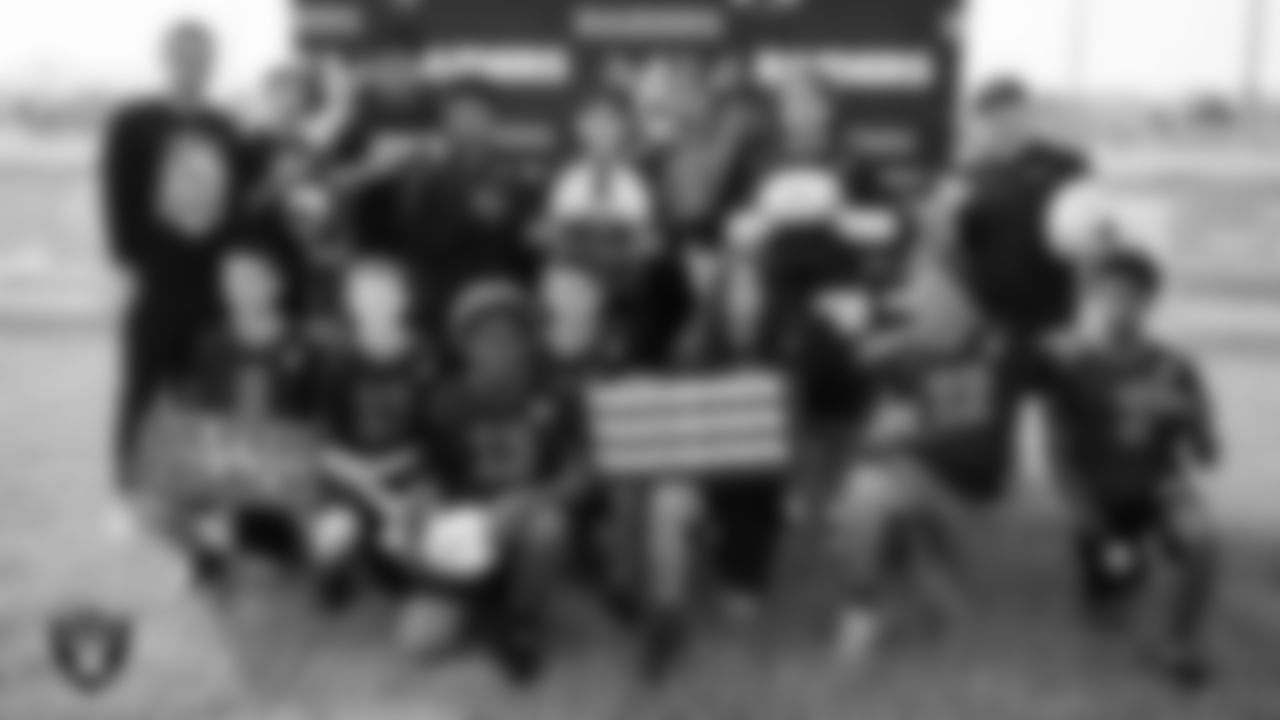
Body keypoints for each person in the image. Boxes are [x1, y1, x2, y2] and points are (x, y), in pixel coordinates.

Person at [828, 258, 1037, 665]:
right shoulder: (917, 351)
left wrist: (905, 440)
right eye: (914, 297)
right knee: (863, 496)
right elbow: (859, 373)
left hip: (968, 492)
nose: (914, 306)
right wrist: (866, 342)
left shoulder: (996, 356)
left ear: (964, 303)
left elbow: (975, 450)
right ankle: (887, 607)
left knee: (868, 493)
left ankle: (865, 611)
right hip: (924, 481)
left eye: (929, 296)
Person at [1039, 246, 1220, 689]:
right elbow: (1059, 458)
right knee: (1107, 616)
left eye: (1131, 296)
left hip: (1160, 490)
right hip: (1102, 504)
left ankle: (1180, 646)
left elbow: (1208, 455)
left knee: (1205, 543)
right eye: (1109, 294)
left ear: (1149, 302)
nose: (1119, 305)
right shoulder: (1074, 364)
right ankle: (1120, 575)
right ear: (1095, 298)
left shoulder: (1175, 366)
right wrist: (1092, 524)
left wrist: (1186, 414)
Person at [102, 19, 249, 481]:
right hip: (157, 274)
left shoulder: (224, 124)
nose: (194, 63)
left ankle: (201, 483)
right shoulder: (133, 120)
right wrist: (131, 261)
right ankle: (129, 481)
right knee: (143, 380)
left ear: (214, 62)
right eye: (184, 54)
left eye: (203, 55)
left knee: (209, 382)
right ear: (166, 58)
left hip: (212, 276)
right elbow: (116, 192)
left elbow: (239, 197)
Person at [423, 279, 587, 684]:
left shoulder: (554, 394)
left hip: (526, 523)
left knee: (549, 529)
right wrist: (434, 518)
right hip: (468, 531)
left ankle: (521, 617)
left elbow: (582, 471)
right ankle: (480, 601)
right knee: (421, 639)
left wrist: (530, 500)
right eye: (483, 338)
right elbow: (431, 476)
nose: (497, 348)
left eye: (509, 336)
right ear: (465, 345)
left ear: (527, 341)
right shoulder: (448, 401)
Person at [175, 245, 317, 585]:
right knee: (210, 551)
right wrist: (219, 479)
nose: (240, 290)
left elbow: (317, 425)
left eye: (251, 280)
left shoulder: (305, 345)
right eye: (230, 282)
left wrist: (281, 471)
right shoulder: (211, 345)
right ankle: (224, 534)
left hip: (285, 469)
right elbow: (206, 421)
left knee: (271, 564)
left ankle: (282, 536)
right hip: (232, 464)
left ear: (276, 284)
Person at [308, 258, 437, 610]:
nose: (374, 305)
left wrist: (389, 479)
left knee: (411, 542)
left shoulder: (428, 357)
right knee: (333, 531)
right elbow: (320, 440)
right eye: (363, 295)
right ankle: (337, 568)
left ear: (405, 299)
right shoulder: (336, 359)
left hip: (408, 472)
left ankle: (386, 557)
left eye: (384, 295)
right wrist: (368, 482)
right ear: (349, 301)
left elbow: (437, 438)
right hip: (350, 472)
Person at [943, 78, 1091, 347]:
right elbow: (956, 247)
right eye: (994, 117)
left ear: (1026, 113)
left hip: (1050, 314)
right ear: (982, 121)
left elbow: (1089, 239)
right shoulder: (969, 173)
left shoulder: (1065, 165)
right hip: (990, 320)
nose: (1004, 124)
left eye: (1011, 113)